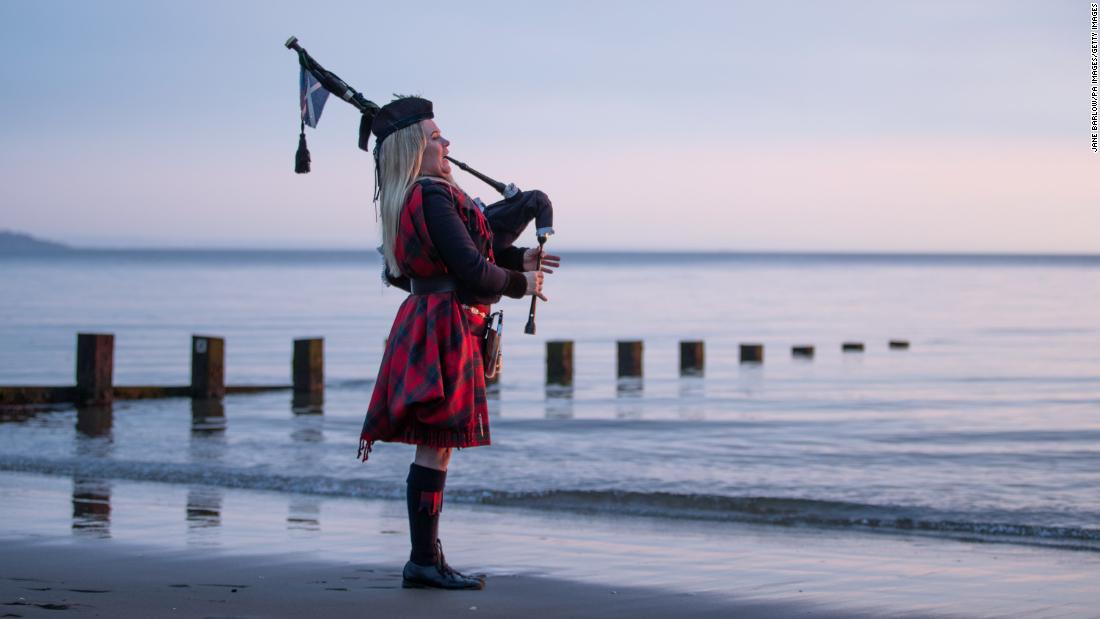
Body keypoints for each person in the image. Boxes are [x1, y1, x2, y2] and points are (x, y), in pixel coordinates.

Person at [358, 97, 560, 590]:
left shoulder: (418, 196)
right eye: (435, 137)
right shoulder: (431, 195)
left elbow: (463, 260)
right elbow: (471, 270)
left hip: (436, 320)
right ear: (413, 148)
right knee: (437, 443)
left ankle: (428, 558)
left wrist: (519, 263)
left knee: (439, 447)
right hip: (443, 326)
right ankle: (423, 561)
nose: (446, 143)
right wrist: (522, 284)